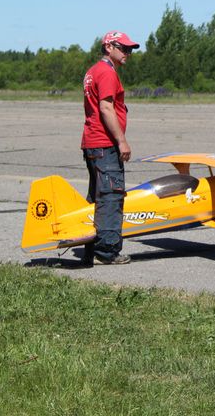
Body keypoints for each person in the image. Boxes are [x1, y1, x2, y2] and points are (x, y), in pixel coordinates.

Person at [81, 31, 140, 265]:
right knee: (111, 198)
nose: (128, 53)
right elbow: (106, 108)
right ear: (109, 47)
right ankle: (106, 252)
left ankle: (90, 247)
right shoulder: (106, 72)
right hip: (105, 144)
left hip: (93, 142)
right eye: (123, 48)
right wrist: (121, 140)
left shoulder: (93, 71)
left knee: (98, 197)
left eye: (130, 49)